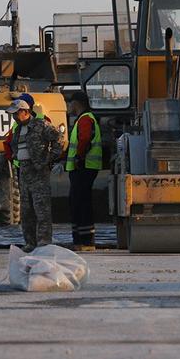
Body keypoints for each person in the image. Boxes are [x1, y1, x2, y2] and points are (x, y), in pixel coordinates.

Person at [7, 99, 62, 252]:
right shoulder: (18, 129)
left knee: (41, 208)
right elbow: (14, 145)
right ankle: (30, 242)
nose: (15, 118)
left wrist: (49, 159)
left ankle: (44, 242)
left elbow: (58, 139)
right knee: (26, 209)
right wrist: (16, 155)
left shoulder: (40, 125)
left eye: (16, 114)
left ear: (25, 112)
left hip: (38, 171)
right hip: (24, 171)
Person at [64, 92, 102, 252]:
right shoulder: (84, 119)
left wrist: (79, 158)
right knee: (77, 203)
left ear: (76, 103)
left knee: (81, 204)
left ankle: (86, 242)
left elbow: (85, 139)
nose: (68, 107)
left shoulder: (85, 119)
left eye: (70, 104)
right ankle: (80, 240)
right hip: (82, 167)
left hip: (83, 167)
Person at [3, 93, 51, 165]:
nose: (14, 116)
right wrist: (12, 158)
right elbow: (9, 142)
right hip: (22, 166)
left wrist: (50, 158)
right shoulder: (17, 124)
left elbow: (55, 140)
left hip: (39, 167)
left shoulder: (43, 120)